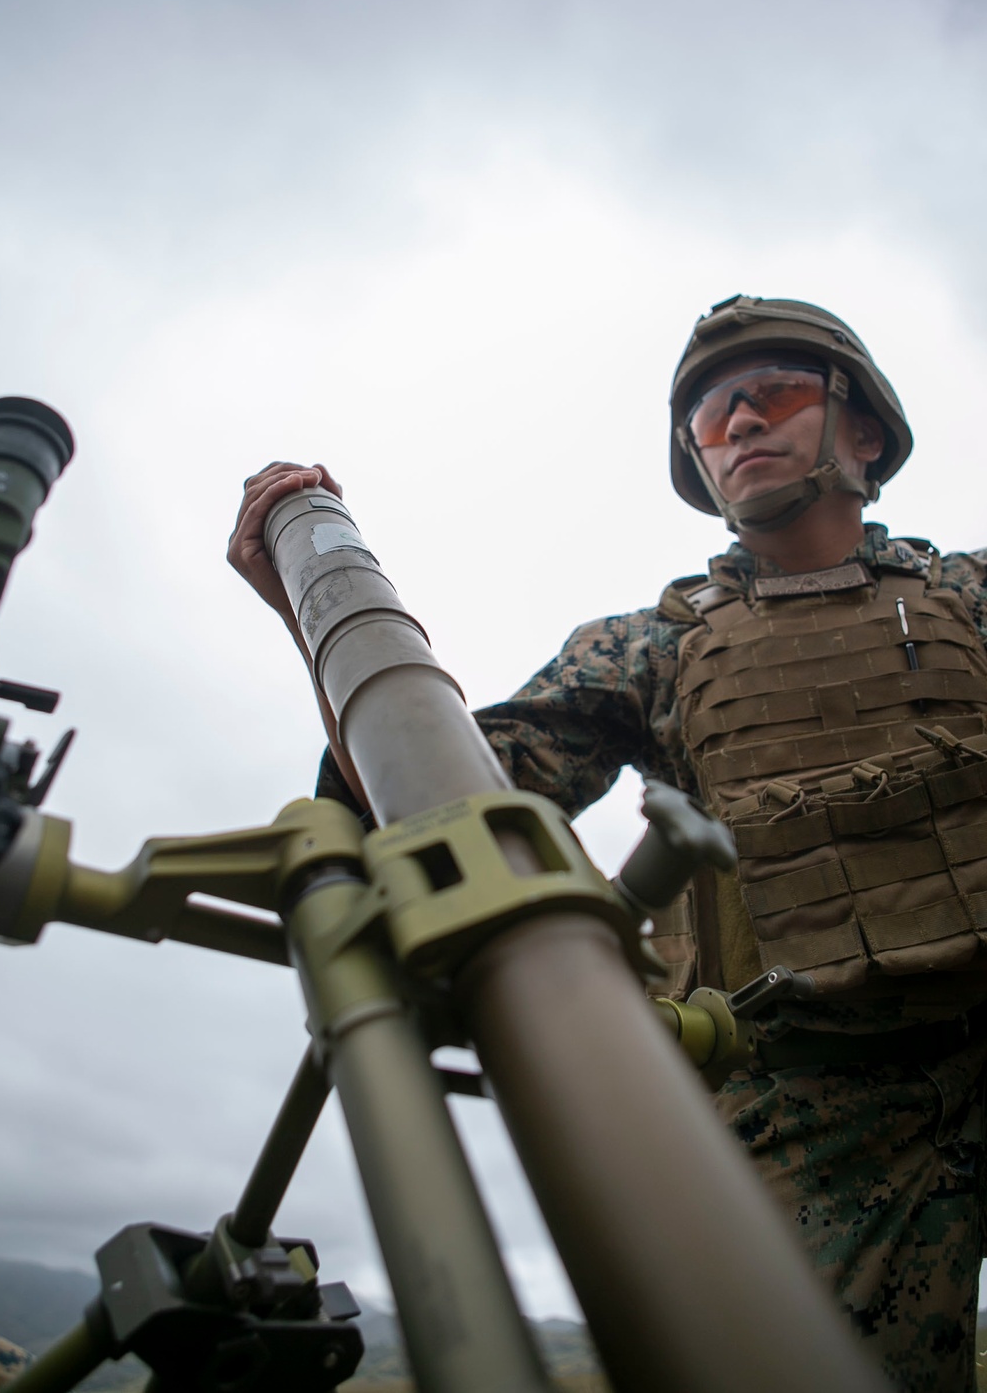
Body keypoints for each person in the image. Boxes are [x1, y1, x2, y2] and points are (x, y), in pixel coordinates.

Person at [229, 295, 987, 1393]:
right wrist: (309, 615)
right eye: (710, 423)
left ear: (861, 430)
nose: (737, 430)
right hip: (818, 1099)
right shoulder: (648, 649)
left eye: (769, 397)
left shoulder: (969, 596)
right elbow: (437, 796)